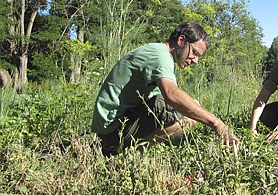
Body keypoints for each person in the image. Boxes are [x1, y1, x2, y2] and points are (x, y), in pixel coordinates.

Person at [91, 22, 238, 156]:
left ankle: (128, 151)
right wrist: (217, 123)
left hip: (110, 126)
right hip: (112, 129)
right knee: (188, 116)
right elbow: (171, 94)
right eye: (194, 53)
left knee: (187, 107)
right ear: (181, 41)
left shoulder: (156, 51)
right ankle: (128, 155)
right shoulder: (160, 56)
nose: (195, 61)